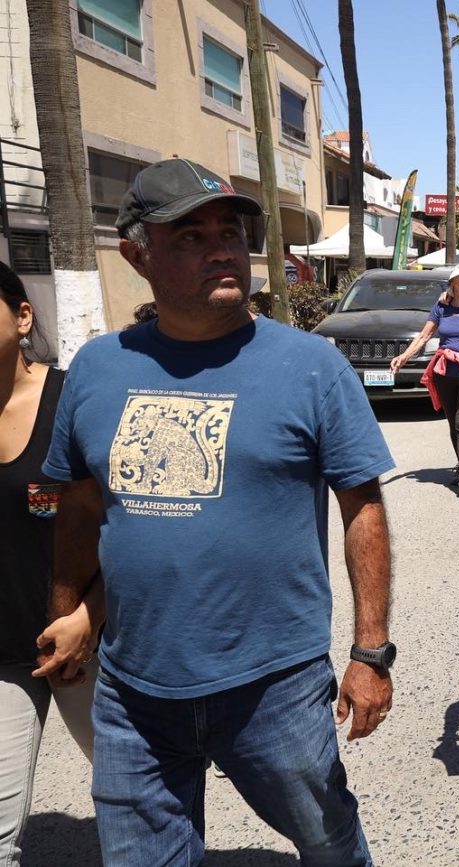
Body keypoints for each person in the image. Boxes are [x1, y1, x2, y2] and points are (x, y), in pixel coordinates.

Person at [39, 159, 396, 866]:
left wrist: (370, 652)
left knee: (329, 844)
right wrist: (69, 613)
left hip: (277, 686)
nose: (221, 248)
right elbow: (80, 509)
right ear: (138, 255)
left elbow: (364, 509)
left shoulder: (312, 366)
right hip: (133, 690)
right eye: (190, 236)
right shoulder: (97, 369)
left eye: (230, 231)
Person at [0, 264, 96, 864]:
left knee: (138, 799)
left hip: (90, 645)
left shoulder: (72, 402)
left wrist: (90, 612)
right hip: (2, 655)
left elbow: (129, 523)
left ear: (23, 316)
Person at [391, 261, 459, 499]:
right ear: (453, 283)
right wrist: (404, 356)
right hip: (444, 372)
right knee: (453, 422)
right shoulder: (441, 307)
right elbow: (425, 335)